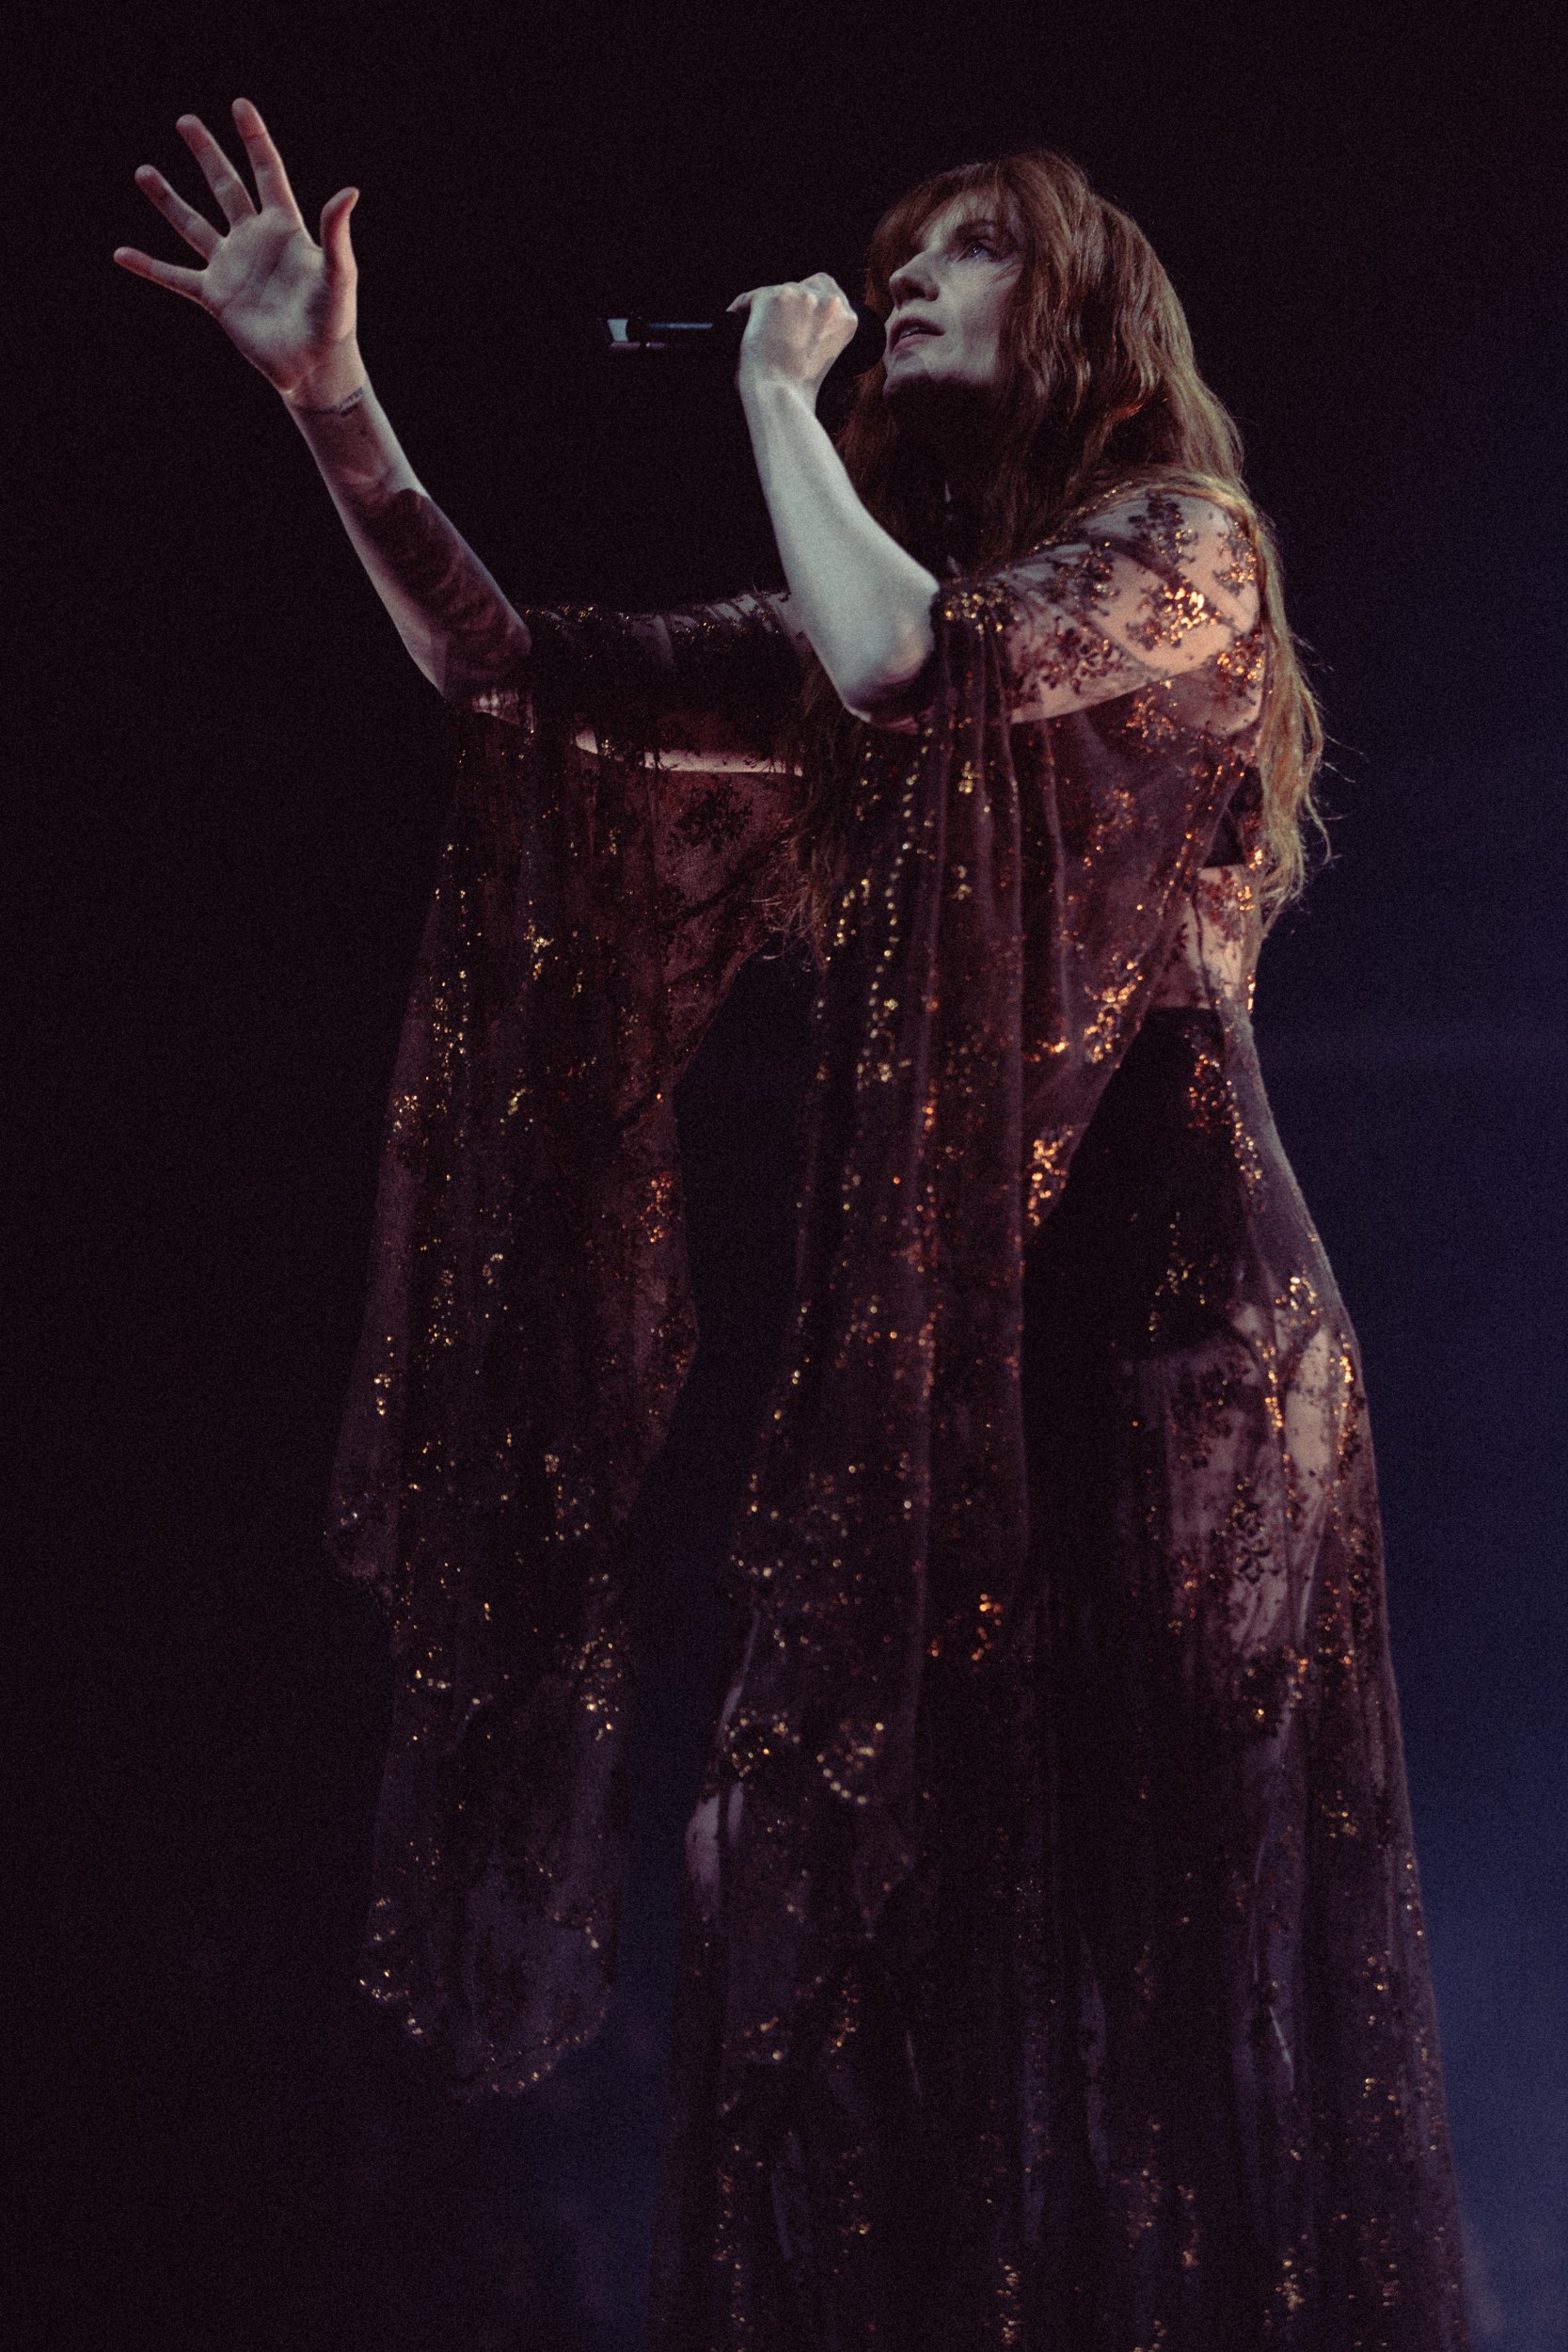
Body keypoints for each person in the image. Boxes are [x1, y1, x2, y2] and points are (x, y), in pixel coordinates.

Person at [118, 103, 1473, 2351]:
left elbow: (917, 666)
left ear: (1090, 315)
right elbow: (521, 681)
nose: (913, 278)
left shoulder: (1181, 542)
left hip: (1184, 1339)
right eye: (897, 254)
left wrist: (765, 390)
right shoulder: (871, 585)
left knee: (1145, 1930)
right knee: (819, 1881)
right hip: (966, 1351)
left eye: (972, 253)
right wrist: (332, 406)